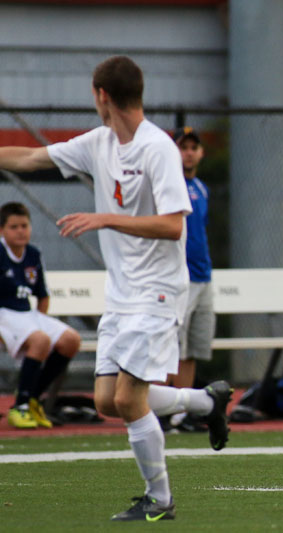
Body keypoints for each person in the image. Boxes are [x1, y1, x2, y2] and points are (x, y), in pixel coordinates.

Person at [0, 56, 232, 521]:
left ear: (101, 95)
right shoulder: (98, 143)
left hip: (160, 291)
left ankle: (160, 499)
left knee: (129, 399)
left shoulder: (158, 149)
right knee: (108, 401)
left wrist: (107, 217)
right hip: (123, 295)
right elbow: (27, 158)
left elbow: (172, 226)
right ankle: (209, 401)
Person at [0, 202, 81, 429]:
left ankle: (34, 397)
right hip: (4, 313)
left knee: (70, 340)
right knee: (40, 340)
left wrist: (39, 323)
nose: (20, 231)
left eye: (24, 225)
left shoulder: (33, 254)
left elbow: (42, 295)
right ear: (2, 230)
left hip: (27, 313)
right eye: (14, 226)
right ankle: (21, 406)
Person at [164, 126, 217, 432]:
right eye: (183, 147)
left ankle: (183, 413)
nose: (189, 152)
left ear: (200, 152)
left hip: (203, 276)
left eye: (194, 147)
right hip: (178, 279)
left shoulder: (202, 188)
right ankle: (166, 411)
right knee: (173, 349)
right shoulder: (170, 186)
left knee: (193, 350)